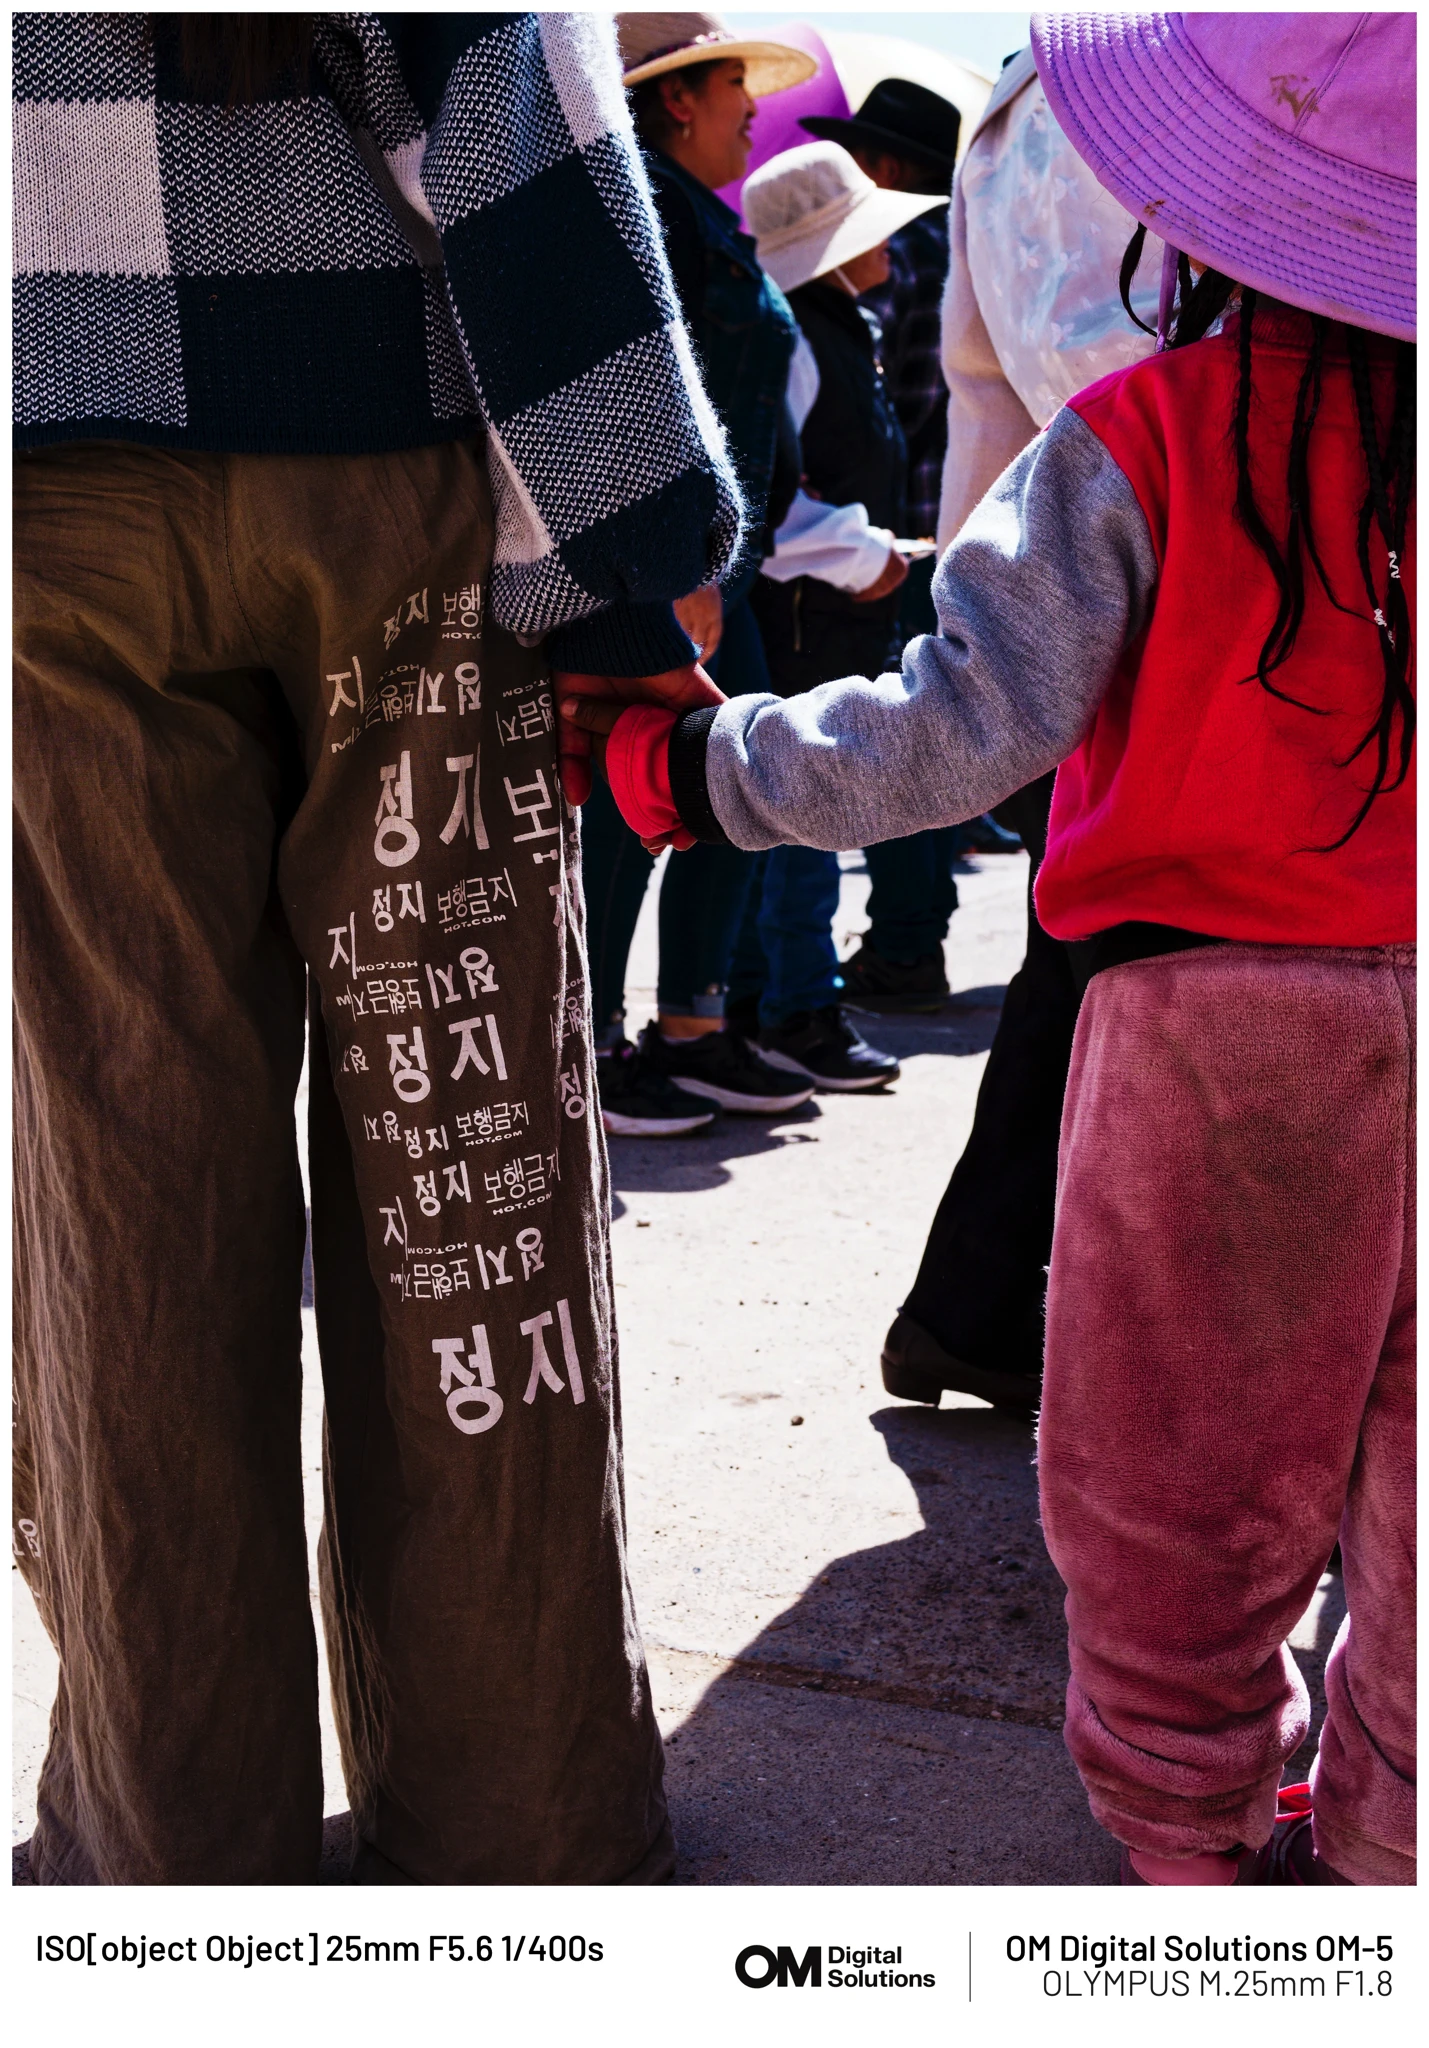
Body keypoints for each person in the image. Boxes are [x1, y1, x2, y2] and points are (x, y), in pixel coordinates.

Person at [563, 10, 1415, 1888]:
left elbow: (951, 728)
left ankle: (1197, 1856)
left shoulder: (1144, 433)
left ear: (1203, 213)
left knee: (1175, 1497)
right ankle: (1378, 1865)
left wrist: (689, 765)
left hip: (1210, 1030)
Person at [13, 9, 743, 1887]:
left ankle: (170, 1831)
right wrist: (635, 543)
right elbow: (499, 93)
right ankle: (524, 1811)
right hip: (392, 481)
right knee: (465, 1184)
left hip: (49, 505)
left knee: (124, 1183)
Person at [882, 44, 1164, 1410]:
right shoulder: (1237, 60)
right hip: (1236, 565)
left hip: (1075, 579)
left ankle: (981, 1301)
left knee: (1081, 961)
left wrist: (980, 651)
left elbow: (980, 397)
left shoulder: (1016, 98)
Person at [580, 12, 820, 1133]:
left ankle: (689, 1028)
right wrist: (679, 563)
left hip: (724, 568)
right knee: (637, 802)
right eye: (737, 87)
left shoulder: (694, 215)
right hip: (677, 573)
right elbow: (642, 395)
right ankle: (591, 1045)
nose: (754, 110)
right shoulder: (652, 217)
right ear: (678, 99)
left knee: (727, 796)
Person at [718, 141, 938, 1091]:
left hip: (828, 612)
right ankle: (797, 1013)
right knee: (802, 827)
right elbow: (774, 504)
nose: (890, 249)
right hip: (806, 612)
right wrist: (869, 556)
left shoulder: (833, 324)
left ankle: (773, 1003)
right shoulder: (798, 336)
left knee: (800, 822)